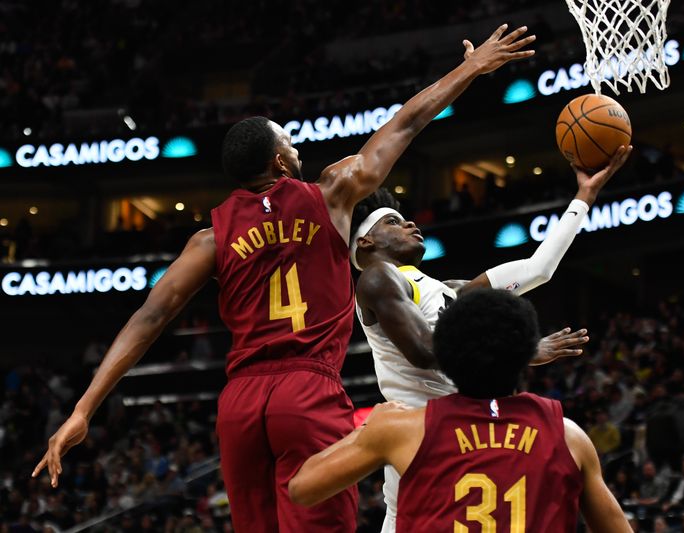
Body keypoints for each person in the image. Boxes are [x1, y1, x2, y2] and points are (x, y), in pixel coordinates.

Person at [31, 24, 537, 532]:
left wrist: (83, 408)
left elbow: (149, 317)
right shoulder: (332, 194)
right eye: (291, 144)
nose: (298, 151)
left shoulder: (210, 238)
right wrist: (471, 67)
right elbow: (404, 125)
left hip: (240, 404)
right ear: (279, 161)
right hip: (307, 388)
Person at [348, 146, 631, 531]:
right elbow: (423, 351)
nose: (412, 224)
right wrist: (520, 350)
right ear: (365, 243)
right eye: (395, 222)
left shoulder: (449, 291)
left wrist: (584, 197)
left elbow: (538, 269)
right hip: (418, 431)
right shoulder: (379, 277)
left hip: (464, 423)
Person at [288, 289, 632, 532]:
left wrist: (367, 428)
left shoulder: (402, 430)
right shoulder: (568, 436)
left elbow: (302, 489)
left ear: (446, 358)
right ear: (526, 358)